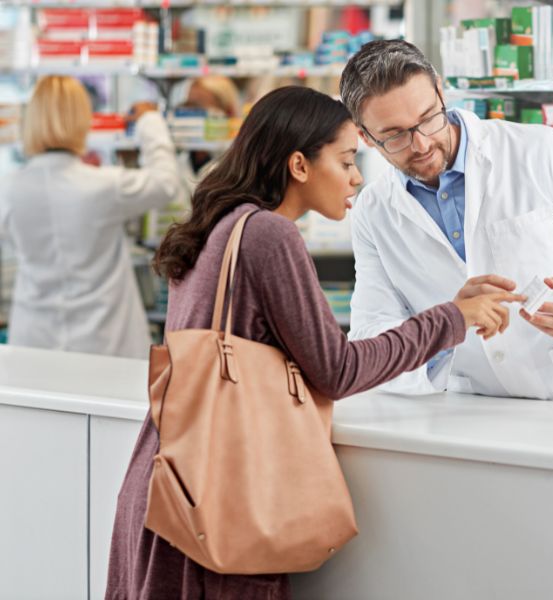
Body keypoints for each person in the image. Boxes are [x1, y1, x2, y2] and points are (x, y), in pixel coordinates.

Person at [105, 86, 521, 599]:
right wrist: (450, 321)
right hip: (221, 500)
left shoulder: (216, 225)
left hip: (169, 486)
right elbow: (337, 371)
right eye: (346, 160)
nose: (356, 177)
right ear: (299, 164)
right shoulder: (268, 236)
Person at [339, 40, 553, 407]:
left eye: (429, 118)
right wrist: (446, 329)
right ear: (365, 136)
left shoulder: (542, 151)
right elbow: (371, 337)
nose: (422, 143)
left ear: (440, 91)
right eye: (396, 135)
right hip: (478, 412)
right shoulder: (373, 211)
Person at [0, 75, 180, 359]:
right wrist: (150, 123)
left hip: (33, 340)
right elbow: (166, 183)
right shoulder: (103, 186)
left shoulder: (8, 189)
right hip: (105, 341)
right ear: (82, 120)